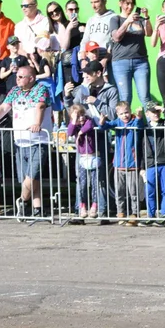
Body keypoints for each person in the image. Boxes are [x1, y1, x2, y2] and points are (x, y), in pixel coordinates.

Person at [0, 65, 53, 221]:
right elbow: (3, 108)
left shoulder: (41, 89)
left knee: (32, 176)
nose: (17, 79)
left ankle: (22, 201)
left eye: (21, 76)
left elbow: (40, 106)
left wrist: (37, 123)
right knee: (31, 178)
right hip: (20, 141)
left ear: (31, 78)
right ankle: (36, 208)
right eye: (17, 76)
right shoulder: (14, 92)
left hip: (38, 141)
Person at [70, 61, 119, 220]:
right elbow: (73, 111)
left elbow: (113, 114)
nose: (85, 76)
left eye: (89, 73)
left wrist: (96, 101)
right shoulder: (82, 89)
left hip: (101, 137)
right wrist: (66, 97)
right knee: (81, 177)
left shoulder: (110, 90)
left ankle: (102, 211)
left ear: (98, 73)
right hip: (83, 139)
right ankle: (79, 211)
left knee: (100, 178)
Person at [109, 0, 153, 108]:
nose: (129, 6)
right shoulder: (115, 19)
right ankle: (126, 126)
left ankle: (152, 124)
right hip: (121, 62)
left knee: (145, 97)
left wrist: (146, 17)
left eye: (132, 3)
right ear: (120, 4)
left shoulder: (139, 19)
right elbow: (116, 37)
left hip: (141, 62)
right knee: (125, 98)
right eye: (126, 3)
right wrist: (127, 21)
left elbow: (149, 33)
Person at [110, 100, 144, 225]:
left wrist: (139, 116)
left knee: (133, 191)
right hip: (118, 165)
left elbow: (140, 126)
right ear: (117, 114)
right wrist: (102, 122)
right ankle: (121, 212)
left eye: (127, 112)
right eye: (122, 114)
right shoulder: (118, 123)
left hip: (132, 165)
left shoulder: (134, 122)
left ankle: (135, 213)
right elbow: (106, 126)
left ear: (130, 112)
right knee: (119, 190)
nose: (125, 115)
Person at [66, 104, 99, 222]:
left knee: (95, 183)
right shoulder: (74, 125)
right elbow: (69, 132)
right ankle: (82, 206)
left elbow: (89, 125)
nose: (81, 118)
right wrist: (73, 121)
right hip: (82, 158)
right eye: (77, 116)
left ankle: (94, 206)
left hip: (93, 156)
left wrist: (80, 133)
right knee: (82, 183)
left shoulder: (88, 121)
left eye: (81, 115)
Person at [141, 102, 165, 225]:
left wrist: (163, 109)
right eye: (153, 112)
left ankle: (164, 214)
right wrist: (141, 167)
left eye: (157, 111)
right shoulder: (143, 127)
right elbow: (140, 148)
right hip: (150, 162)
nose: (156, 114)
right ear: (147, 114)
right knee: (150, 190)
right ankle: (151, 215)